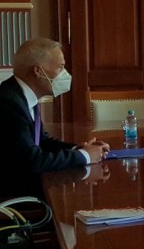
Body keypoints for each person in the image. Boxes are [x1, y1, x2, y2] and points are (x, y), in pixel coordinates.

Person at [0, 38, 109, 195]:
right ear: (38, 71)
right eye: (60, 67)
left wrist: (78, 149)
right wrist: (84, 156)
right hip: (15, 196)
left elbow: (41, 142)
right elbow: (34, 161)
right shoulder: (8, 103)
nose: (65, 74)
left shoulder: (22, 95)